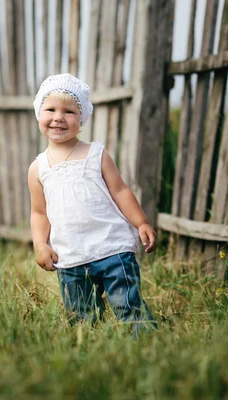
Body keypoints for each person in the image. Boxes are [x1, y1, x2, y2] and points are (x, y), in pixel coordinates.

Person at [28, 73, 157, 332]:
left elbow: (120, 192)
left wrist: (141, 222)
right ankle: (88, 353)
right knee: (82, 318)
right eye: (50, 109)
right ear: (39, 114)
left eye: (69, 111)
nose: (58, 117)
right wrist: (41, 244)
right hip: (71, 256)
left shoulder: (96, 154)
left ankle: (146, 343)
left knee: (128, 306)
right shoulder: (38, 168)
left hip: (112, 247)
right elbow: (39, 214)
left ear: (82, 118)